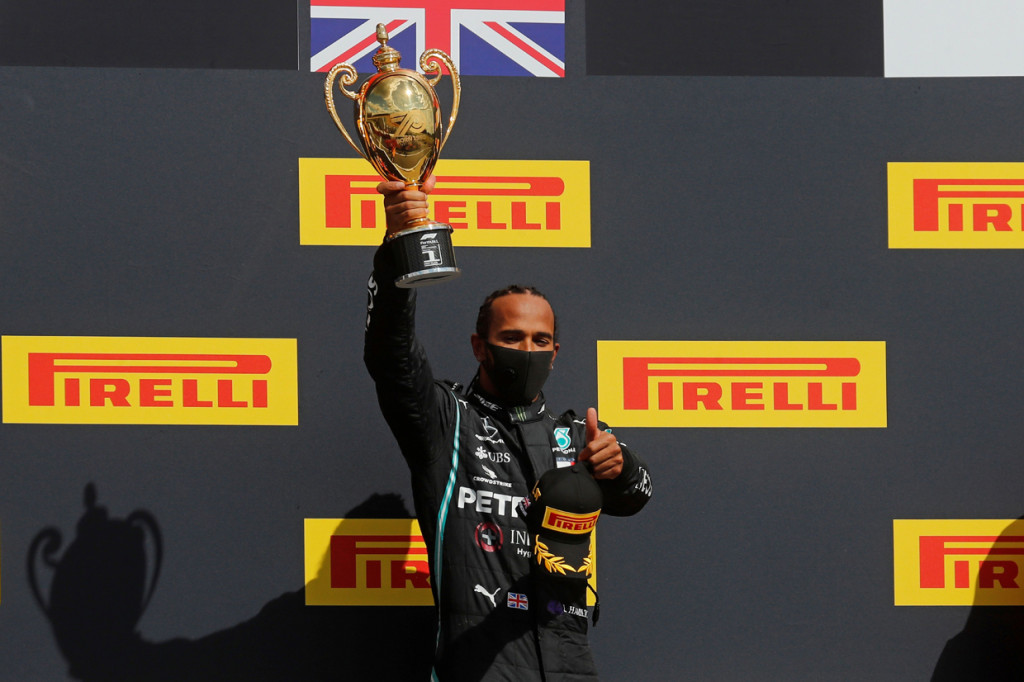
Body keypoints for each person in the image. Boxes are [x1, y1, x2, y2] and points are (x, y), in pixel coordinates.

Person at [364, 175, 653, 681]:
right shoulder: (446, 421)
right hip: (478, 666)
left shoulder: (577, 435)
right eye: (511, 337)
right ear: (480, 346)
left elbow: (636, 495)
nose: (527, 350)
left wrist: (621, 466)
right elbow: (391, 355)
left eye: (541, 339)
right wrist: (398, 249)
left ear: (556, 353)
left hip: (569, 665)